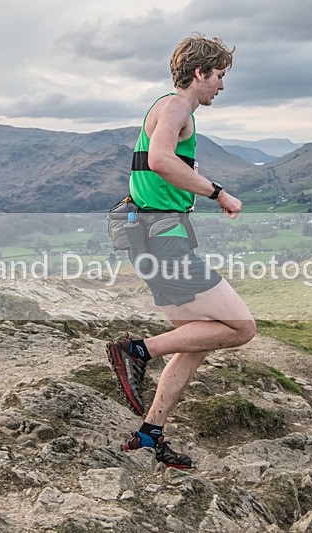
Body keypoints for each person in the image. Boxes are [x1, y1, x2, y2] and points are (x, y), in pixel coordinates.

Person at [107, 34, 256, 469]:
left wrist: (201, 181)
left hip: (152, 231)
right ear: (200, 72)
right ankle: (135, 350)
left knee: (196, 338)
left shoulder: (171, 109)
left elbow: (176, 166)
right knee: (242, 327)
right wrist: (218, 193)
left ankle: (150, 436)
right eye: (220, 76)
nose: (222, 87)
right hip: (161, 235)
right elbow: (159, 160)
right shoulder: (175, 107)